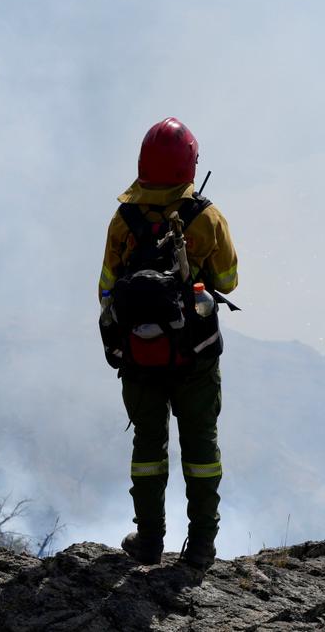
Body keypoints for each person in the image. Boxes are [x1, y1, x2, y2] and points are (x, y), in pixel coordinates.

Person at [98, 116, 238, 571]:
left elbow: (105, 288)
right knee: (201, 449)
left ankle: (150, 542)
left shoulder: (123, 219)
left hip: (139, 357)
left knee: (148, 448)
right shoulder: (207, 217)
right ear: (190, 164)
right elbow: (229, 282)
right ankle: (200, 548)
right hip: (195, 357)